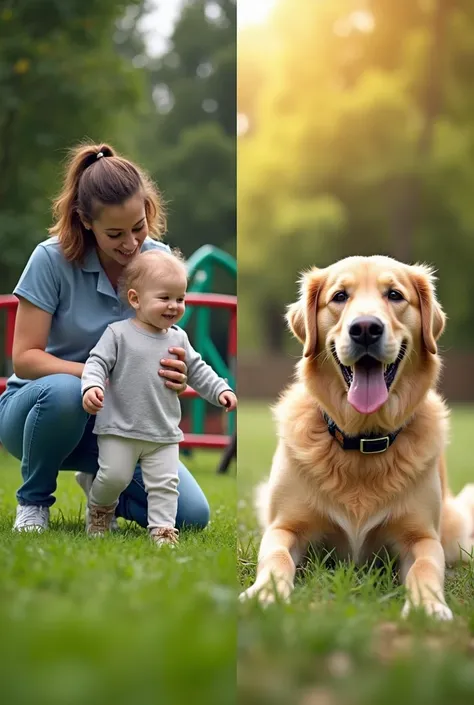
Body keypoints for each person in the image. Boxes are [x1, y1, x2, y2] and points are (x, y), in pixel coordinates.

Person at [0, 142, 213, 533]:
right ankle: (33, 503)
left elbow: (166, 344)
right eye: (115, 233)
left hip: (121, 425)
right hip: (38, 414)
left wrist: (175, 374)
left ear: (148, 209)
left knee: (192, 517)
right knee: (67, 392)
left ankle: (100, 490)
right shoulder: (50, 259)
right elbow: (25, 359)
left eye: (139, 227)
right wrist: (94, 375)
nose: (131, 245)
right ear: (85, 220)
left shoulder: (158, 260)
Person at [81, 249, 237, 545]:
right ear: (136, 299)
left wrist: (221, 390)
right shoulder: (118, 334)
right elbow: (96, 363)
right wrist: (91, 386)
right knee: (114, 477)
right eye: (165, 298)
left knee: (166, 485)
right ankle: (100, 509)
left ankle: (163, 530)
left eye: (180, 299)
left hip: (163, 433)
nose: (174, 306)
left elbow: (198, 370)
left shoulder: (178, 338)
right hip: (120, 429)